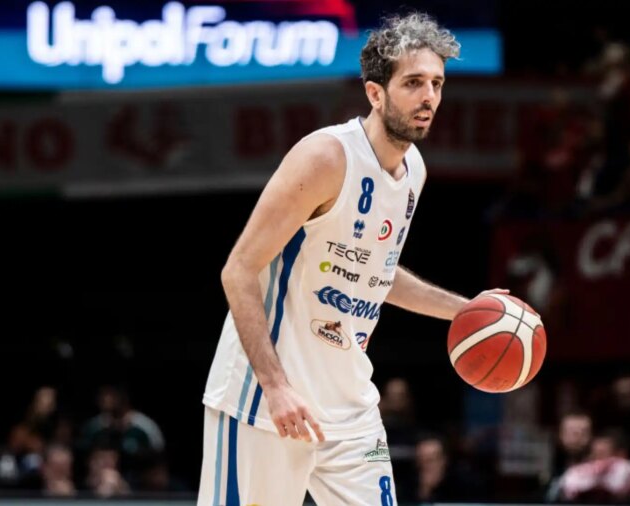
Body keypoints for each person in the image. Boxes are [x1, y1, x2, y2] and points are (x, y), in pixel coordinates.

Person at [199, 11, 507, 505]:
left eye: (437, 84)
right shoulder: (325, 157)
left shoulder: (414, 171)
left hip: (350, 409)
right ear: (375, 93)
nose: (429, 97)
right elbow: (238, 270)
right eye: (413, 83)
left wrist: (467, 310)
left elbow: (376, 273)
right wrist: (275, 387)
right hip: (265, 404)